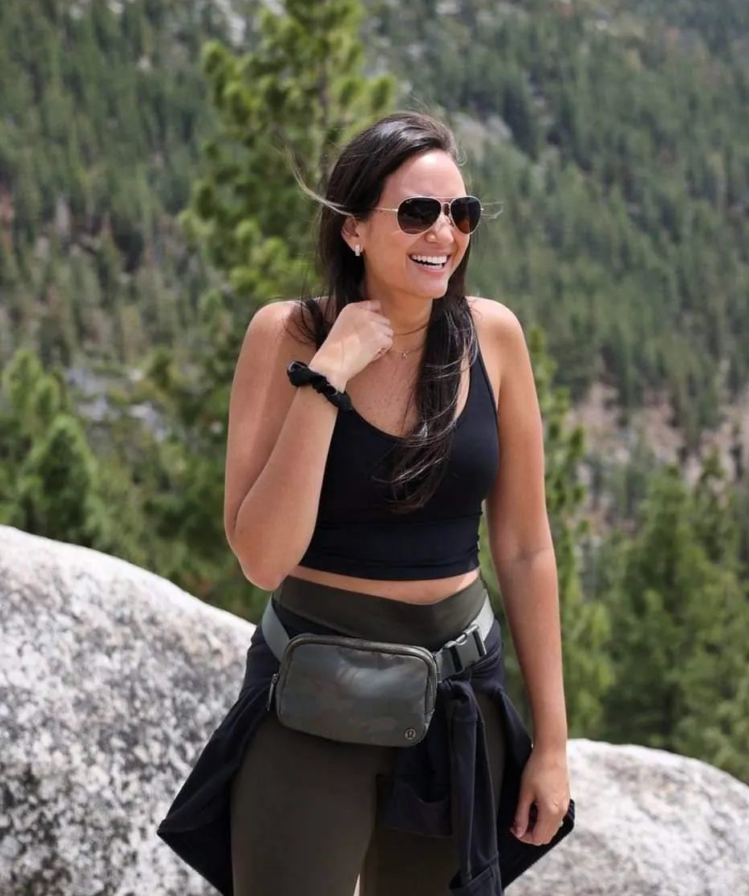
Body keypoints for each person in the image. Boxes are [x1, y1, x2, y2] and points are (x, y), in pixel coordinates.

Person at [156, 111, 575, 895]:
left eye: (461, 213)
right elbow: (262, 556)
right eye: (418, 212)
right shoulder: (285, 336)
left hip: (459, 699)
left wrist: (551, 744)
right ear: (354, 231)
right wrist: (328, 377)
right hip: (313, 698)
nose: (444, 234)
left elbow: (525, 548)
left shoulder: (496, 338)